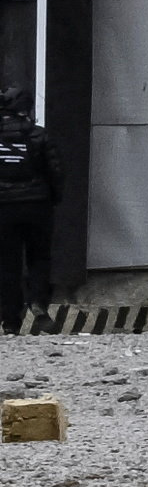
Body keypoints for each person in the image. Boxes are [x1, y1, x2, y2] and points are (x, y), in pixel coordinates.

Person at [0, 87, 50, 334]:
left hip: (4, 209)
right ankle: (39, 303)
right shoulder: (37, 135)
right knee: (39, 256)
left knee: (7, 263)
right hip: (37, 206)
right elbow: (55, 170)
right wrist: (51, 198)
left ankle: (10, 320)